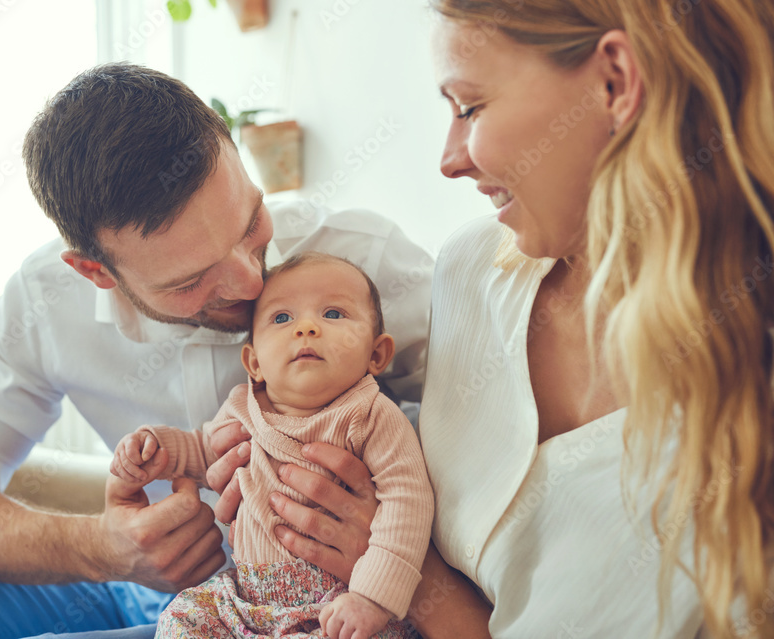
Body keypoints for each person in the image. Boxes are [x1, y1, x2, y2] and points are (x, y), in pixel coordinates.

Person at [0, 65, 433, 639]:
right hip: (137, 588)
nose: (251, 281)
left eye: (251, 224)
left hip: (322, 600)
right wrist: (106, 547)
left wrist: (388, 546)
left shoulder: (364, 265)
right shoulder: (41, 302)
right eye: (189, 279)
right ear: (95, 271)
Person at [267, 1, 774, 637]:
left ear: (614, 82)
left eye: (469, 107)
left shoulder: (747, 403)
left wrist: (411, 577)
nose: (449, 160)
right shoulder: (474, 268)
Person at [111, 252, 433, 639]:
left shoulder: (369, 415)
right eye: (283, 318)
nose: (307, 328)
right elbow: (202, 451)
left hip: (340, 602)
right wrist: (155, 448)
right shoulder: (241, 408)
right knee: (180, 620)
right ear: (254, 362)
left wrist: (373, 597)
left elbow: (408, 499)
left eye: (333, 314)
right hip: (246, 601)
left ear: (376, 353)